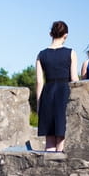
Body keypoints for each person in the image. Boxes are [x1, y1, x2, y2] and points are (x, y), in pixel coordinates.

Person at [36, 20, 79, 152]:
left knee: (49, 139)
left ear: (51, 34)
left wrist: (39, 104)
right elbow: (74, 79)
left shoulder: (41, 54)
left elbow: (39, 82)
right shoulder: (70, 52)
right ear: (65, 35)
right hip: (64, 94)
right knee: (61, 137)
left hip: (48, 94)